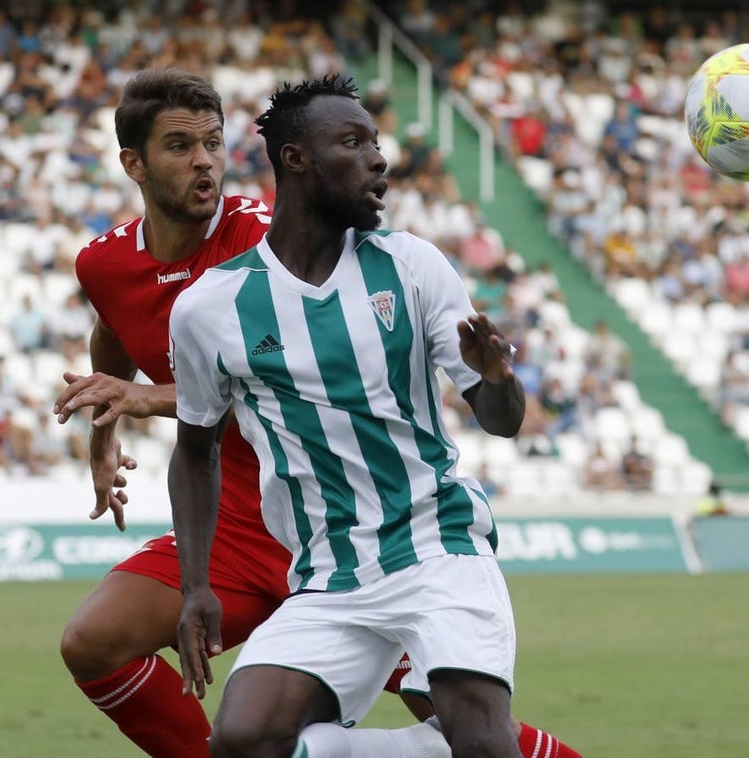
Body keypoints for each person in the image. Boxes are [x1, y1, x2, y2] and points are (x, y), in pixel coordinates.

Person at [56, 68, 579, 758]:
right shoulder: (108, 265)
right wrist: (105, 430)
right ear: (134, 163)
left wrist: (142, 400)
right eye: (180, 147)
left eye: (212, 143)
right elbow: (118, 333)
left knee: (470, 727)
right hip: (246, 521)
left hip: (376, 524)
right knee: (95, 645)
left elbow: (293, 380)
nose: (204, 160)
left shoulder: (268, 246)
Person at [167, 74, 523, 758]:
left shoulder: (412, 265)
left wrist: (499, 378)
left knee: (482, 739)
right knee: (242, 740)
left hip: (437, 544)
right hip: (328, 573)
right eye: (354, 143)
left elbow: (500, 418)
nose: (378, 160)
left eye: (376, 143)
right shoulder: (212, 308)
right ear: (296, 160)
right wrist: (194, 586)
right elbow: (194, 450)